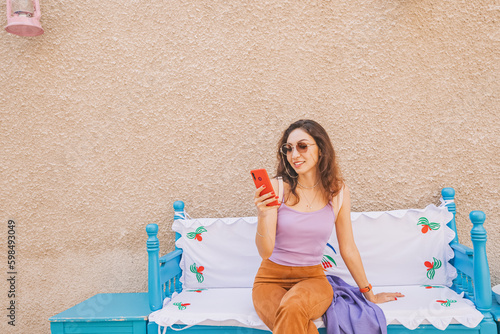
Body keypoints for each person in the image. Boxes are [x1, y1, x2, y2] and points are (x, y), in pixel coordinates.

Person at [252, 120, 404, 334]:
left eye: (302, 146)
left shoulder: (337, 192)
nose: (294, 154)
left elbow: (348, 248)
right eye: (288, 148)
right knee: (297, 321)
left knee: (293, 305)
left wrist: (369, 293)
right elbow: (264, 251)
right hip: (269, 280)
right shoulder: (277, 187)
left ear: (321, 149)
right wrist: (264, 214)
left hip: (313, 280)